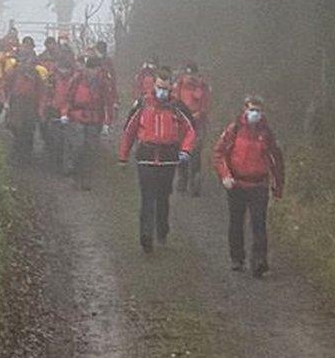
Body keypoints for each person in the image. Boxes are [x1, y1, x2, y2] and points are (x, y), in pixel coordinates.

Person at [118, 68, 196, 253]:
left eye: (166, 88)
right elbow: (129, 132)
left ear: (171, 88)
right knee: (147, 198)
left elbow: (190, 131)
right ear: (155, 86)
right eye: (160, 87)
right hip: (146, 156)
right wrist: (123, 156)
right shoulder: (142, 104)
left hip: (169, 159)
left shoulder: (178, 108)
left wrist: (186, 150)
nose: (163, 92)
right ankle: (146, 235)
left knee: (163, 197)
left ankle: (162, 229)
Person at [212, 96, 285, 278]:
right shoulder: (234, 130)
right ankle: (237, 258)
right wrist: (225, 176)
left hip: (259, 184)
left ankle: (259, 260)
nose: (255, 114)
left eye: (258, 110)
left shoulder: (266, 133)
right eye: (252, 109)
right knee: (236, 222)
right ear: (244, 110)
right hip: (236, 184)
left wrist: (278, 186)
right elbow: (218, 154)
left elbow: (276, 161)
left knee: (259, 223)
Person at [59, 55, 115, 190]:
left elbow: (108, 103)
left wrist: (107, 122)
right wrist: (64, 114)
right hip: (77, 116)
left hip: (95, 119)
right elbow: (68, 98)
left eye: (96, 69)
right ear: (88, 68)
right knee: (77, 145)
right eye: (93, 69)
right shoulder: (77, 79)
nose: (95, 72)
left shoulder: (102, 83)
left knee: (90, 149)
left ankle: (86, 179)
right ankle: (72, 173)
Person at [173, 62, 212, 196]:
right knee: (182, 149)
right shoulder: (179, 85)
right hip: (182, 123)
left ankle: (195, 179)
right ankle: (182, 178)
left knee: (196, 152)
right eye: (188, 73)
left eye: (192, 74)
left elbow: (206, 104)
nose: (190, 77)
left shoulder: (203, 87)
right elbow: (174, 101)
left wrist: (199, 113)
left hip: (198, 124)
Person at [5, 40, 46, 163]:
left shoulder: (36, 75)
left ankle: (26, 155)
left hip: (30, 104)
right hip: (17, 102)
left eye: (29, 62)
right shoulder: (15, 72)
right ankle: (17, 154)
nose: (27, 64)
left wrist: (40, 108)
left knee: (29, 129)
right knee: (17, 128)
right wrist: (7, 102)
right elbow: (7, 86)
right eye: (24, 61)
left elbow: (41, 92)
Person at [41, 55, 75, 168]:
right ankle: (53, 158)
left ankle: (66, 162)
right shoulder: (52, 78)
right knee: (52, 136)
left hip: (70, 111)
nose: (64, 71)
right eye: (62, 68)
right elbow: (46, 94)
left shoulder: (75, 79)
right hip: (53, 110)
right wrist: (44, 109)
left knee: (69, 138)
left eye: (67, 68)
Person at [0, 28, 19, 124]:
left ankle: (8, 119)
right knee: (0, 98)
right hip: (2, 77)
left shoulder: (19, 46)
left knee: (13, 99)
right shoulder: (0, 51)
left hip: (14, 76)